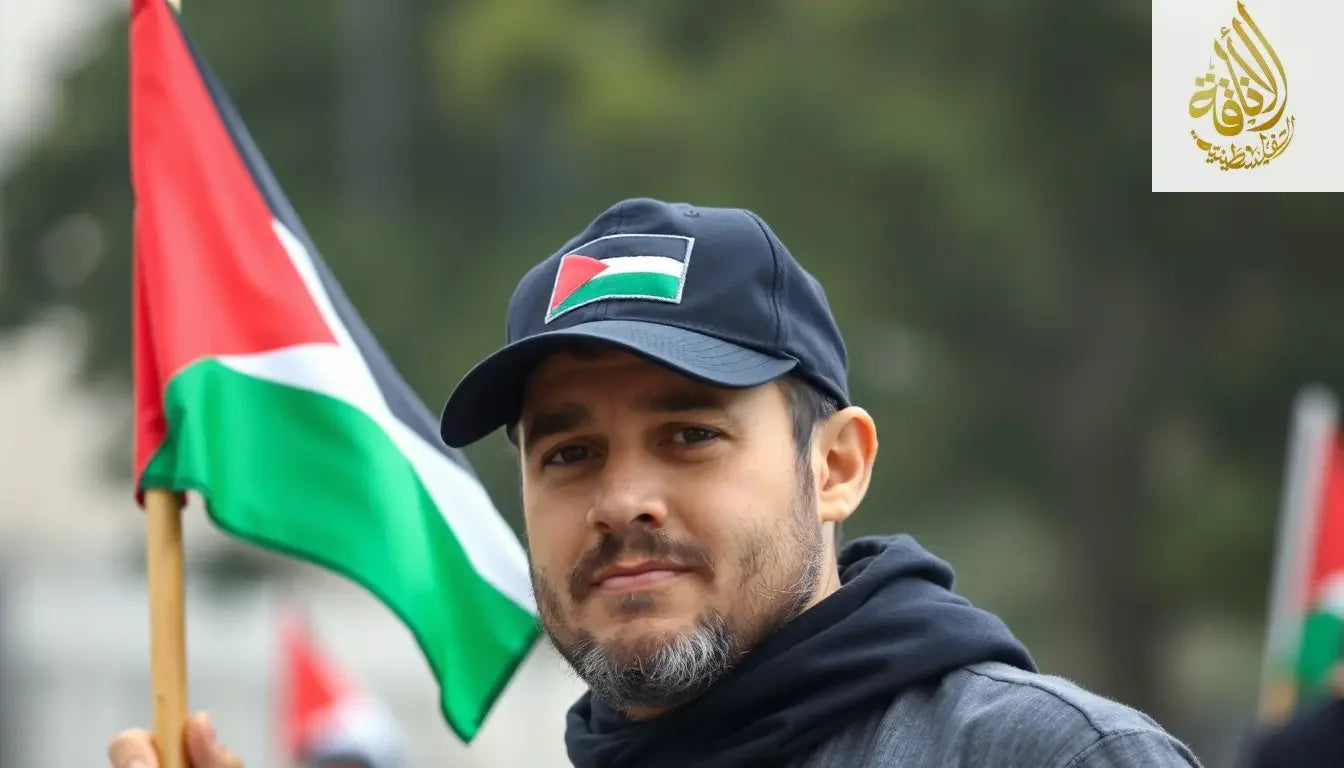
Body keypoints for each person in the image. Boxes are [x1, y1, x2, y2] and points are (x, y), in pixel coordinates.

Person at [109, 198, 1201, 767]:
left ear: (837, 466)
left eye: (688, 435)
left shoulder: (1047, 758)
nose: (622, 498)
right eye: (569, 453)